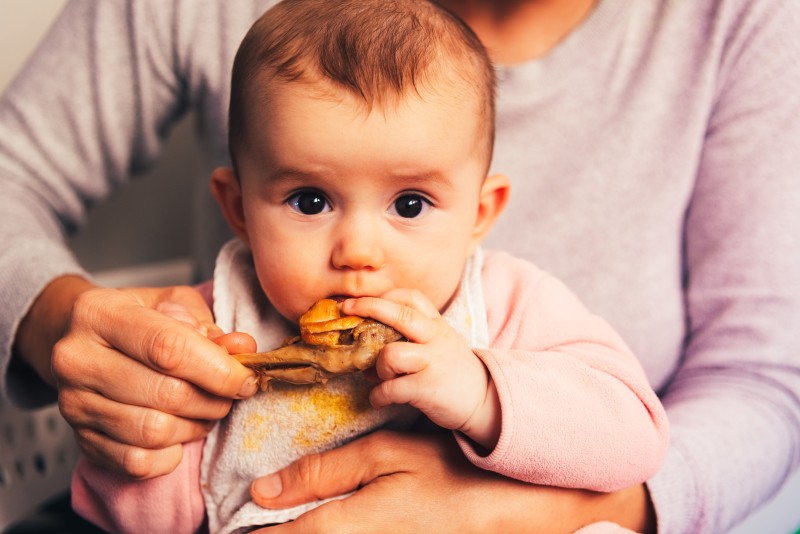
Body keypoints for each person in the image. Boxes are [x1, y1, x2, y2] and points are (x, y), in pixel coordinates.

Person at [1, 0, 798, 532]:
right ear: (238, 207)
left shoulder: (507, 306)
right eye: (309, 202)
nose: (358, 251)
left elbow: (636, 437)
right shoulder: (222, 324)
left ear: (481, 214)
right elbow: (149, 510)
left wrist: (485, 394)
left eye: (410, 206)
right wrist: (141, 438)